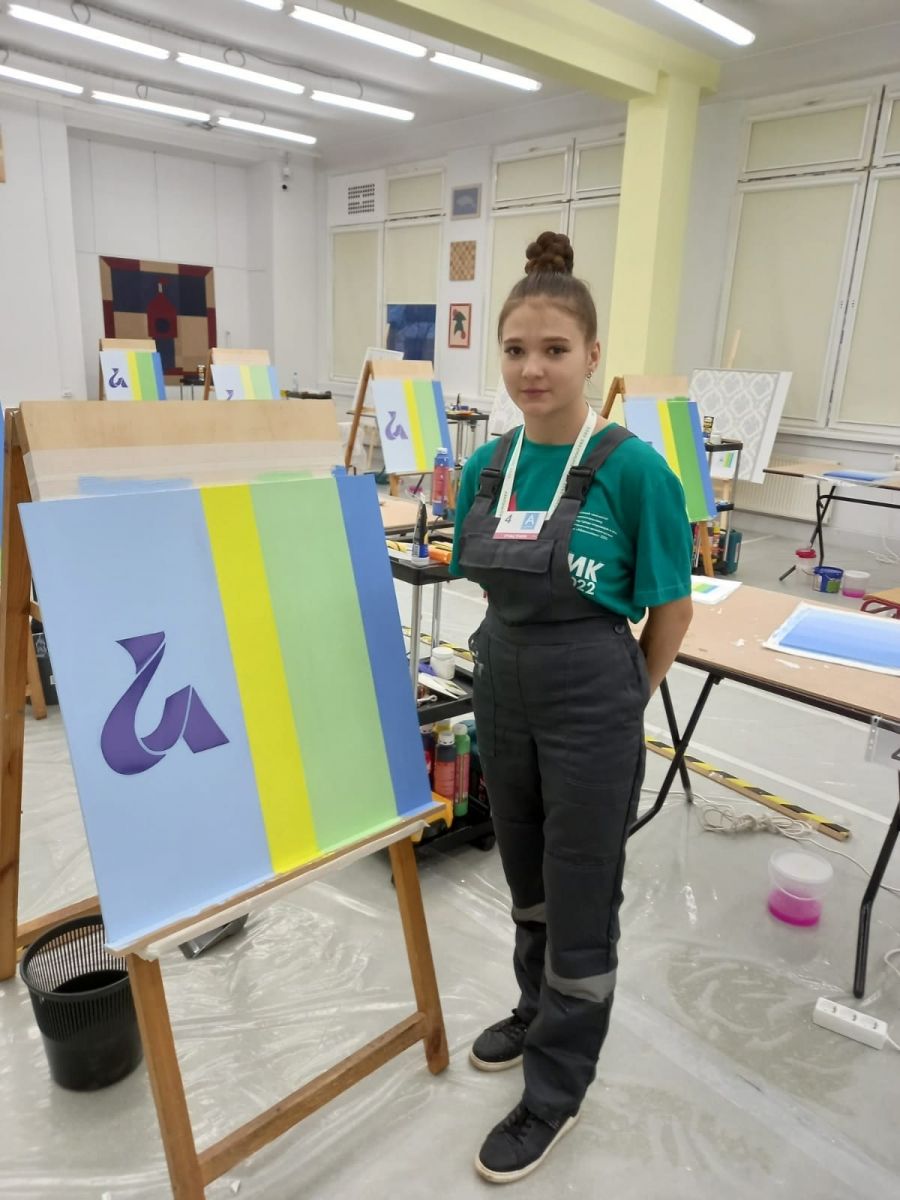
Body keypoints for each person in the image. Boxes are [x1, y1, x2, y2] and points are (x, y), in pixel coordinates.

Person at [450, 231, 694, 1184]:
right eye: (516, 349)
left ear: (593, 355)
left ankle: (556, 1086)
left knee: (582, 894)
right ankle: (533, 1009)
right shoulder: (488, 465)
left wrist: (626, 694)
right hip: (502, 686)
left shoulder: (636, 472)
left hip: (592, 696)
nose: (533, 369)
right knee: (527, 874)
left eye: (554, 349)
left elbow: (671, 609)